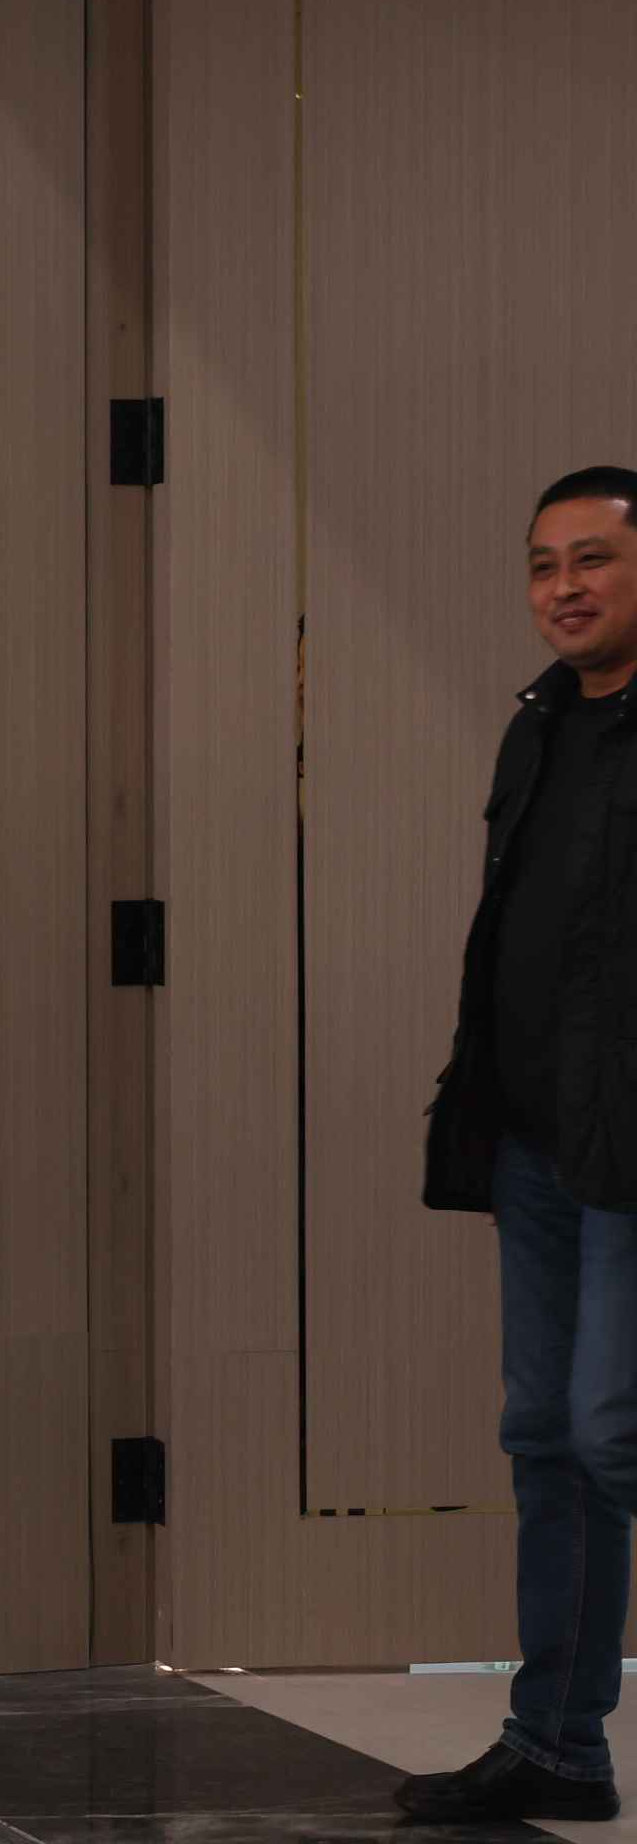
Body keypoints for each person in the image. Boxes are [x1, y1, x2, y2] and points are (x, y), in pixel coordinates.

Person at [399, 465, 637, 1828]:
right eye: (544, 564)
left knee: (612, 1427)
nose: (565, 587)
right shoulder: (538, 727)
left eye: (593, 558)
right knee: (546, 1435)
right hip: (537, 1144)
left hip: (632, 1146)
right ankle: (559, 1745)